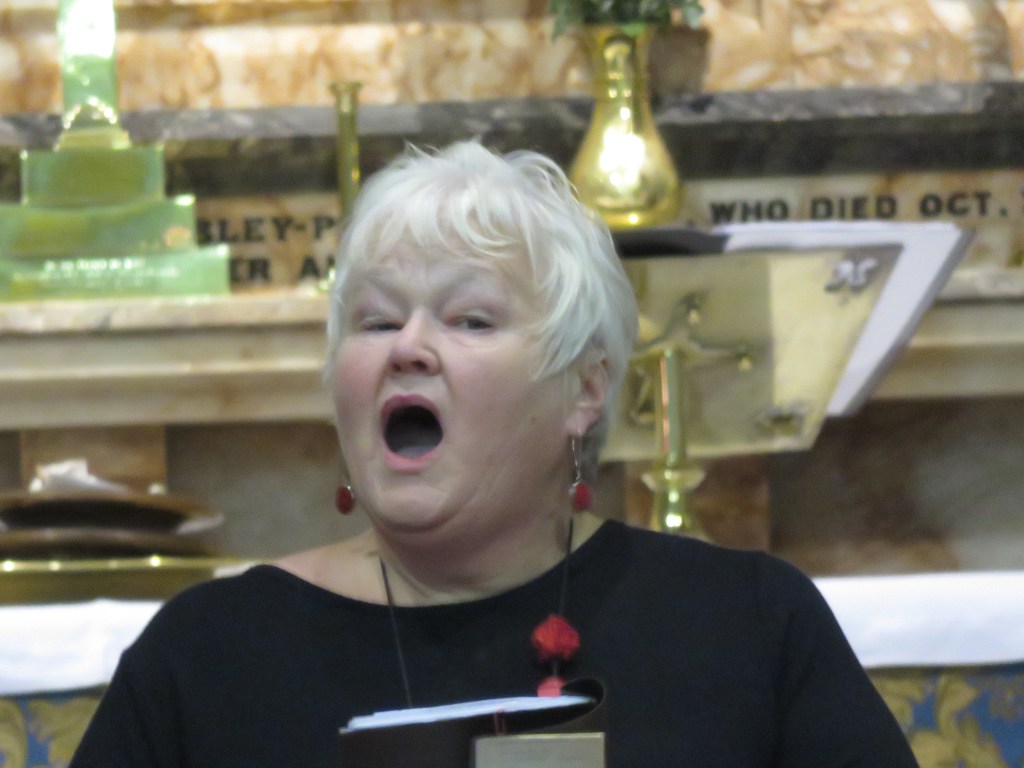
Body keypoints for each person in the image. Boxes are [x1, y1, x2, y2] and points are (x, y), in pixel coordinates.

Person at [70, 140, 918, 768]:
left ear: (584, 388)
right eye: (376, 320)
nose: (408, 346)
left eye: (469, 319)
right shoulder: (207, 655)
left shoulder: (748, 626)